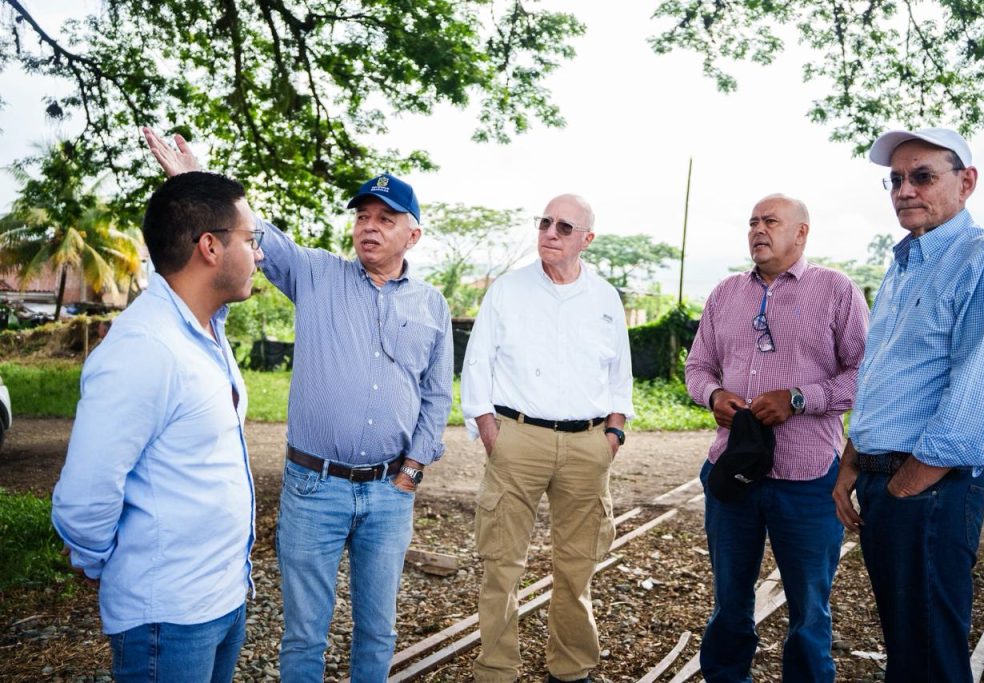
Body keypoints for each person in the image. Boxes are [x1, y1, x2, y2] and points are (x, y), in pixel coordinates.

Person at [143, 129, 454, 683]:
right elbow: (253, 231)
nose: (369, 227)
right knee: (305, 633)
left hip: (389, 492)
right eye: (363, 217)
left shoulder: (432, 304)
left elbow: (436, 393)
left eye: (385, 219)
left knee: (378, 630)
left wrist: (413, 468)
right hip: (315, 488)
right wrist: (193, 181)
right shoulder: (315, 273)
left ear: (414, 234)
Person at [51, 171, 263, 682]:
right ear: (210, 247)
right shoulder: (144, 347)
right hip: (168, 617)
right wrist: (98, 561)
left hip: (222, 597)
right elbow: (86, 493)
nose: (259, 254)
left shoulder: (205, 330)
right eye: (251, 239)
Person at [833, 128, 984, 681]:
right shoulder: (904, 263)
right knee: (907, 645)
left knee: (932, 654)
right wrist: (853, 461)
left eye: (922, 176)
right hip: (887, 479)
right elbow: (883, 375)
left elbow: (979, 392)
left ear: (966, 183)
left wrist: (905, 487)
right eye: (896, 180)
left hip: (929, 487)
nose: (905, 191)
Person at [685, 194, 869, 682]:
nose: (758, 230)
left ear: (801, 232)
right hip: (731, 470)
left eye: (770, 221)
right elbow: (697, 366)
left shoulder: (836, 290)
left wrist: (800, 398)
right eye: (752, 222)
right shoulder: (726, 292)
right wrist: (713, 395)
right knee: (729, 598)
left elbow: (864, 374)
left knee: (808, 606)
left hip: (807, 478)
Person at [460, 194, 634, 683]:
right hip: (517, 440)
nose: (550, 233)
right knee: (501, 564)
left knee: (578, 567)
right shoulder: (507, 291)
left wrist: (613, 433)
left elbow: (620, 373)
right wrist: (490, 430)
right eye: (544, 223)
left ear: (587, 239)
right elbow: (477, 363)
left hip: (588, 444)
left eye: (564, 227)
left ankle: (571, 669)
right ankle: (497, 670)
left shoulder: (604, 297)